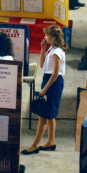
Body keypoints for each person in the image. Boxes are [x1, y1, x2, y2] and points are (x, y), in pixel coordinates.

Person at [24, 25, 67, 154]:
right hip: (48, 80)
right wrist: (43, 49)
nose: (45, 37)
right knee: (49, 115)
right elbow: (42, 65)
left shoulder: (57, 52)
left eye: (47, 35)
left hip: (53, 83)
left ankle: (35, 145)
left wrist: (44, 90)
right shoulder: (51, 50)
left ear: (53, 38)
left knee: (43, 115)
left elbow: (55, 73)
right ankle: (51, 141)